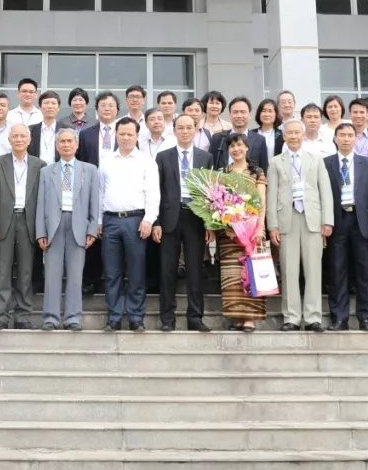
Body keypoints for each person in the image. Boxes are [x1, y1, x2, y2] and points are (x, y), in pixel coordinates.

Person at [269, 118, 333, 332]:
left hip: (312, 219)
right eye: (290, 133)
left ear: (303, 135)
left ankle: (313, 317)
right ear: (284, 136)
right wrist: (272, 225)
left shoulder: (316, 159)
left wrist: (327, 221)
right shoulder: (275, 162)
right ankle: (291, 317)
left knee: (313, 270)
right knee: (289, 270)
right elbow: (271, 195)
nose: (294, 136)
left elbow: (325, 191)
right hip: (286, 220)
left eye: (298, 132)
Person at [97, 117, 159, 332]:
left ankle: (135, 317)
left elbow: (153, 194)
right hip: (110, 221)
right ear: (115, 135)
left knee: (136, 271)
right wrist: (99, 220)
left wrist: (149, 219)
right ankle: (114, 317)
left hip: (136, 221)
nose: (125, 138)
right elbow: (100, 193)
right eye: (122, 134)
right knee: (111, 272)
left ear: (136, 136)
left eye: (130, 134)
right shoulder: (106, 160)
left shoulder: (146, 161)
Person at [36, 128, 100, 330]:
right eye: (62, 141)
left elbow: (94, 202)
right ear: (57, 146)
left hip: (78, 225)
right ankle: (51, 318)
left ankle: (73, 318)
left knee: (75, 275)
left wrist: (92, 229)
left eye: (69, 141)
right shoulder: (47, 171)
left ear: (77, 144)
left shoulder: (90, 170)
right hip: (53, 226)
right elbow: (40, 203)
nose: (66, 144)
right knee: (52, 275)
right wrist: (41, 232)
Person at [154, 114, 211, 332]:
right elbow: (157, 191)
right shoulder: (163, 157)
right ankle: (167, 319)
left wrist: (210, 224)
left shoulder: (205, 157)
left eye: (189, 127)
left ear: (196, 130)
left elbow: (211, 192)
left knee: (195, 270)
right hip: (169, 218)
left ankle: (195, 318)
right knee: (167, 270)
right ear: (174, 130)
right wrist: (156, 222)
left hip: (195, 218)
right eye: (181, 128)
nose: (185, 131)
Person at [0, 123, 45, 329]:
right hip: (4, 222)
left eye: (22, 136)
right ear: (9, 140)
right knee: (2, 271)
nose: (19, 140)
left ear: (29, 140)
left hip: (28, 222)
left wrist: (42, 228)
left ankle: (23, 316)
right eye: (15, 136)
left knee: (26, 272)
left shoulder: (40, 165)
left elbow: (43, 200)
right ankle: (1, 316)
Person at [324, 122, 368, 331]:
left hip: (361, 222)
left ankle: (365, 317)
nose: (346, 139)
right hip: (337, 222)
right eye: (342, 135)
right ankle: (340, 318)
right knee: (337, 270)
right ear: (335, 138)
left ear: (356, 139)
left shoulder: (367, 163)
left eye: (350, 135)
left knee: (364, 271)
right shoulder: (326, 163)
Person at [218, 133, 267, 331]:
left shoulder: (256, 172)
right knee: (232, 276)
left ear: (247, 147)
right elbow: (217, 202)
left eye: (239, 145)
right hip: (229, 234)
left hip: (252, 233)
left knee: (251, 273)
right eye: (232, 146)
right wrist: (227, 226)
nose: (236, 149)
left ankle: (250, 318)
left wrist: (260, 227)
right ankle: (237, 317)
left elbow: (261, 203)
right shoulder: (223, 172)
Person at [209, 96, 268, 170]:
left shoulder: (260, 140)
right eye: (235, 112)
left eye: (243, 112)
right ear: (230, 115)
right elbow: (210, 167)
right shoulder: (217, 138)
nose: (239, 116)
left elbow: (263, 168)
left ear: (249, 115)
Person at [29, 90, 63, 163]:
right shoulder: (30, 130)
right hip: (36, 168)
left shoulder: (66, 130)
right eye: (46, 103)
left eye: (53, 103)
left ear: (58, 108)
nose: (50, 106)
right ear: (40, 108)